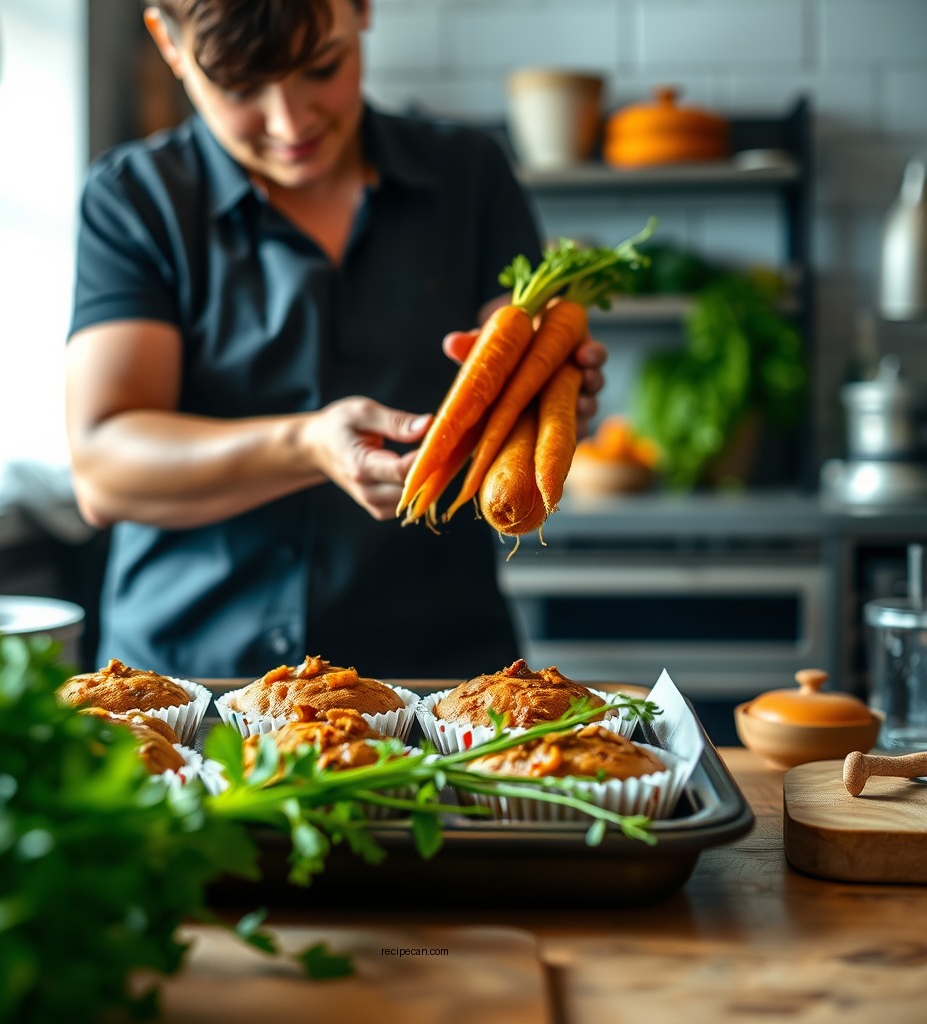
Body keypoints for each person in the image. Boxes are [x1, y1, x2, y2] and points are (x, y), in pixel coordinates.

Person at [64, 0, 607, 681]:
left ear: (362, 10)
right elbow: (103, 469)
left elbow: (524, 372)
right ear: (169, 45)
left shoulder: (469, 174)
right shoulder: (135, 200)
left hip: (435, 680)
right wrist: (309, 445)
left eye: (322, 68)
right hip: (189, 688)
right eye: (240, 88)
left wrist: (546, 402)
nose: (290, 123)